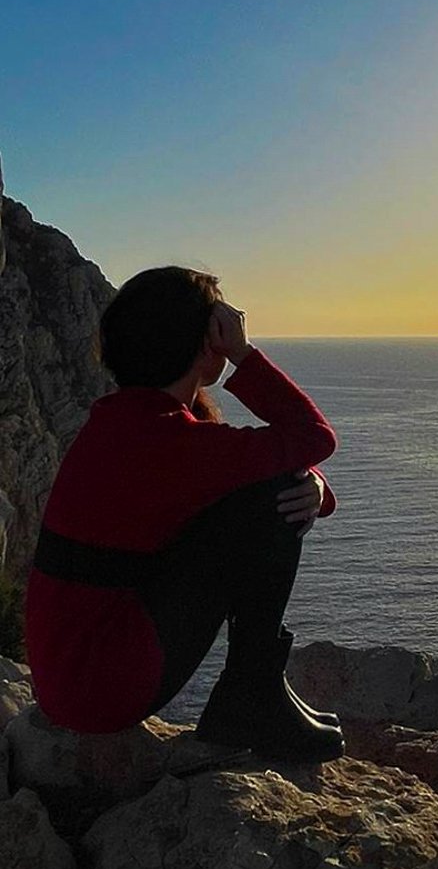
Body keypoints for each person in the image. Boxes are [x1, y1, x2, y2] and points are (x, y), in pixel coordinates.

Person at [23, 266, 344, 764]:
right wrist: (243, 354)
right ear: (202, 344)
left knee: (266, 492)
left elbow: (242, 478)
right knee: (271, 494)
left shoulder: (123, 424)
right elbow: (313, 438)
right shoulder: (168, 440)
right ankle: (252, 698)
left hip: (72, 677)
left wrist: (316, 488)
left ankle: (257, 691)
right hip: (103, 686)